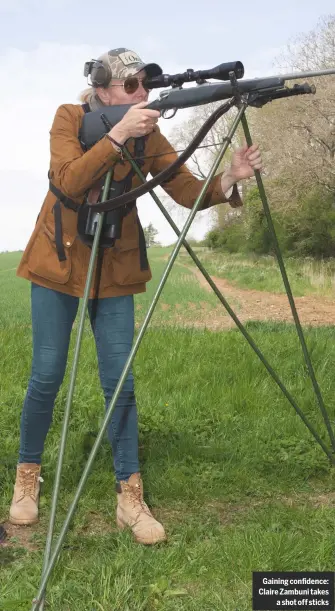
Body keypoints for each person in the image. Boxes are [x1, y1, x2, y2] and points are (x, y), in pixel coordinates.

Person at [10, 48, 263, 545]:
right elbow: (67, 181)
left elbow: (185, 189)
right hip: (57, 262)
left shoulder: (148, 131)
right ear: (103, 88)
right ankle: (26, 478)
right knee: (46, 374)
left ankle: (130, 495)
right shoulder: (70, 118)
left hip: (115, 267)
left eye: (145, 84)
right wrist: (118, 135)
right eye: (131, 86)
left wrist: (230, 178)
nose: (142, 93)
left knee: (119, 383)